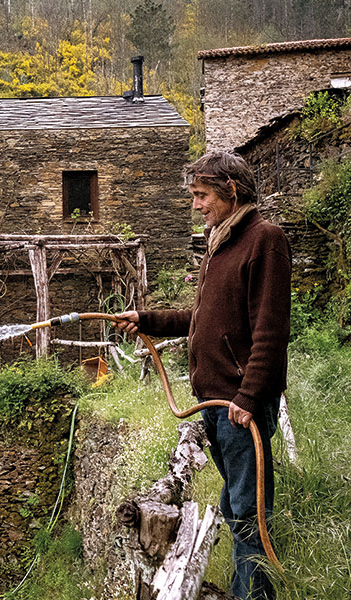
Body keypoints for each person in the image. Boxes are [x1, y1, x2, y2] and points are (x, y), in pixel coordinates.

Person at [113, 151, 290, 600]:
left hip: (237, 408)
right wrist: (149, 320)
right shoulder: (221, 243)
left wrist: (247, 400)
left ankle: (253, 597)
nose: (196, 205)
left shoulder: (264, 240)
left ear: (232, 190)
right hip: (217, 407)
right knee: (237, 510)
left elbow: (270, 332)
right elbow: (205, 318)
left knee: (248, 516)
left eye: (201, 195)